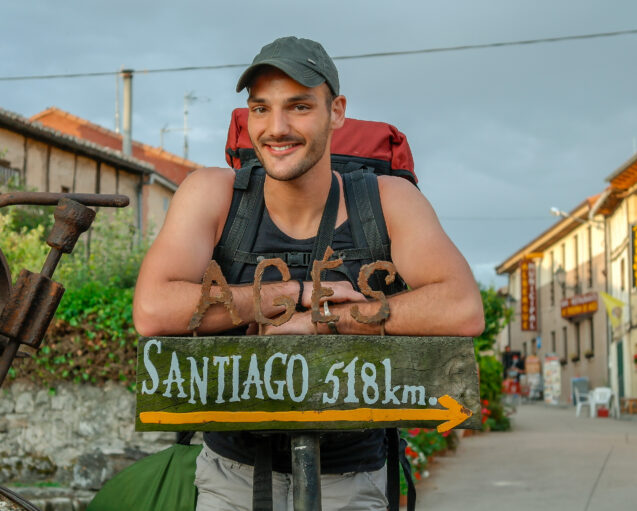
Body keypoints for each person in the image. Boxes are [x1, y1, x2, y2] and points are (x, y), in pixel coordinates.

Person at [133, 36, 484, 511]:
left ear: (336, 112)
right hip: (232, 477)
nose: (276, 128)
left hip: (352, 479)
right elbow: (152, 310)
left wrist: (327, 321)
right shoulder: (212, 194)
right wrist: (288, 294)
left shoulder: (387, 200)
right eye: (261, 109)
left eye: (299, 106)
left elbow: (462, 308)